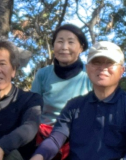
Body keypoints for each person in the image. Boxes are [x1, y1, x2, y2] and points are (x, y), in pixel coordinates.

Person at [30, 23, 92, 152]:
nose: (64, 47)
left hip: (79, 137)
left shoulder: (90, 74)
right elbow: (32, 109)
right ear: (53, 46)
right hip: (44, 136)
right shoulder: (43, 74)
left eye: (71, 42)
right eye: (60, 41)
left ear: (81, 47)